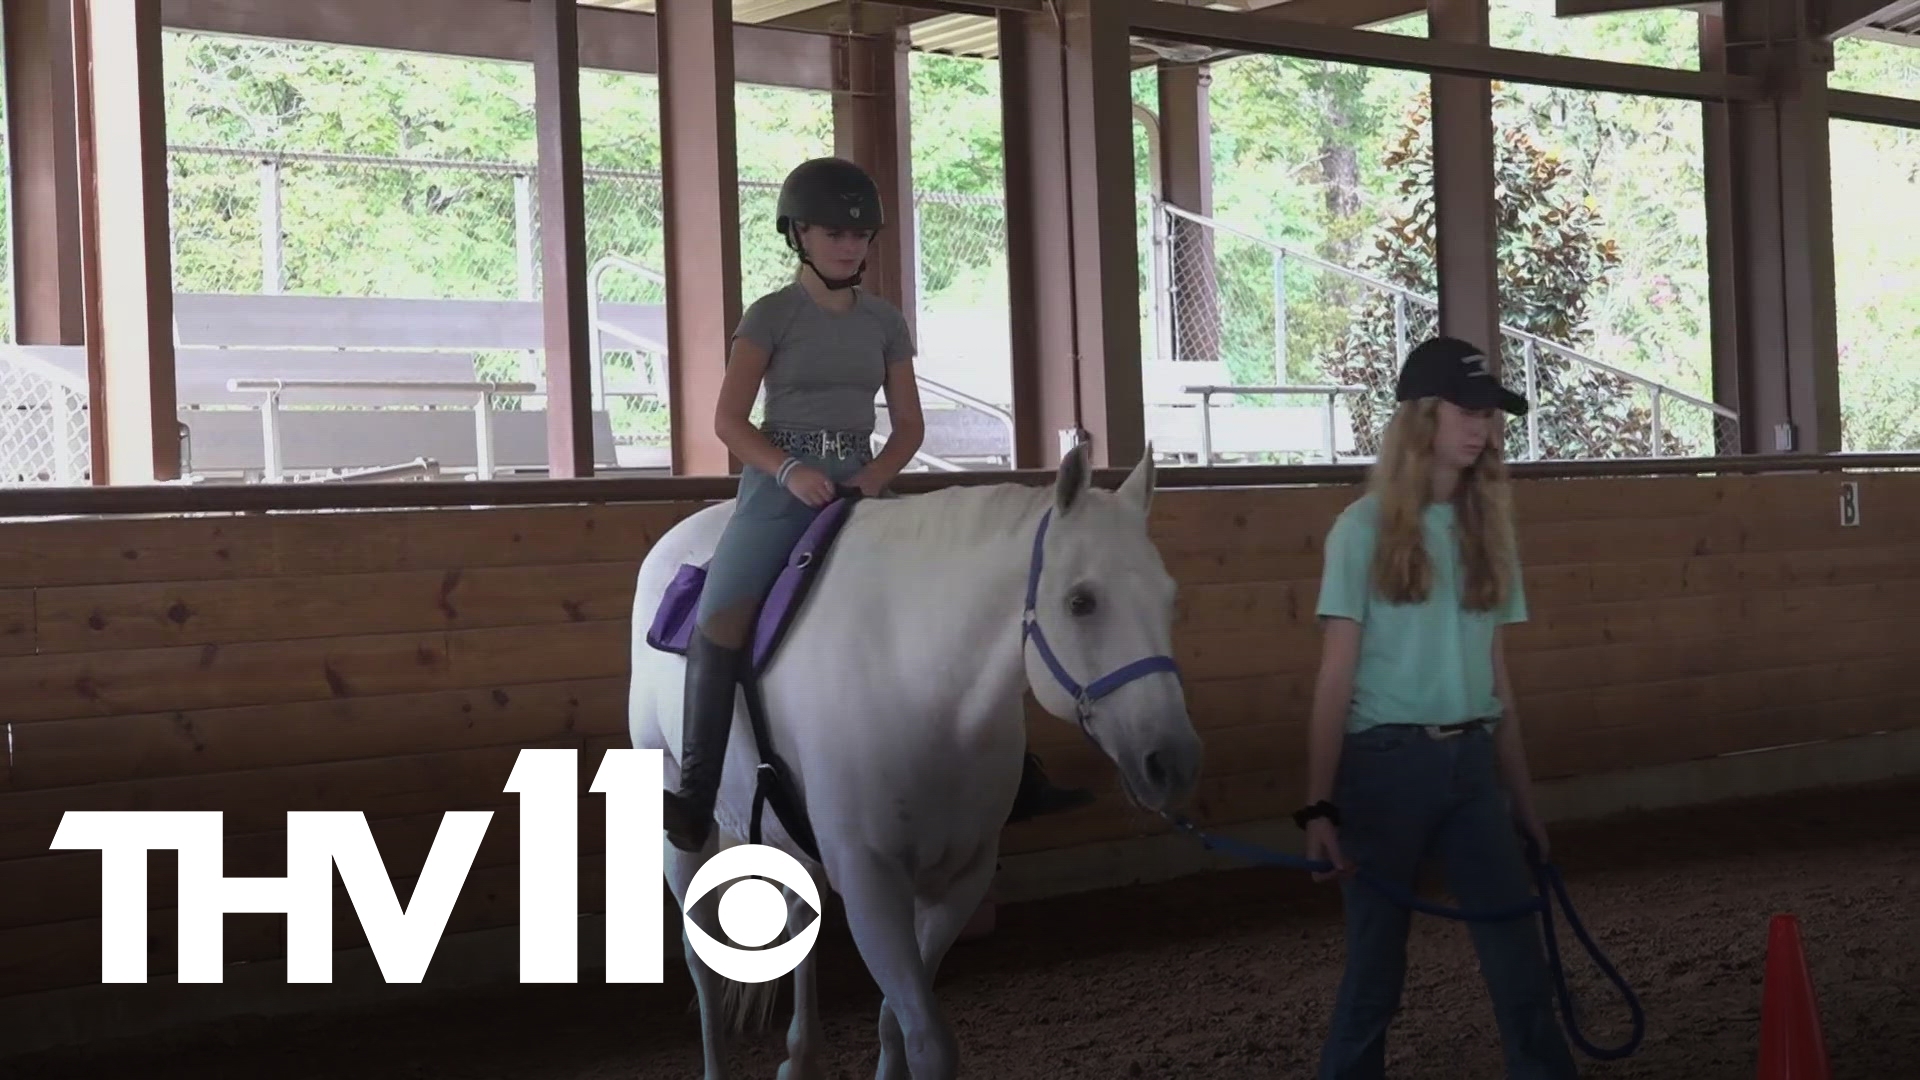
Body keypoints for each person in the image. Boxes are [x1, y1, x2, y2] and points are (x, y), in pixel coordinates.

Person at [661, 156, 1092, 854]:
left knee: (960, 604)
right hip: (779, 488)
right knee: (721, 614)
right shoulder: (770, 315)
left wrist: (873, 477)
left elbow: (912, 425)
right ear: (798, 233)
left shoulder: (885, 321)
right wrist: (791, 469)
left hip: (862, 483)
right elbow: (729, 422)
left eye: (861, 236)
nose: (850, 246)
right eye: (835, 232)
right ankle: (695, 793)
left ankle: (1014, 774)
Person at [1297, 335, 1578, 1079]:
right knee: (1375, 971)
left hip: (1472, 765)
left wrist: (1524, 802)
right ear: (1424, 414)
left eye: (1488, 411)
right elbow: (1335, 676)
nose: (1481, 424)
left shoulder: (1490, 535)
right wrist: (1319, 806)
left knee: (1518, 958)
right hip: (1384, 766)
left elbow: (1497, 681)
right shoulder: (1360, 531)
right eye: (1467, 407)